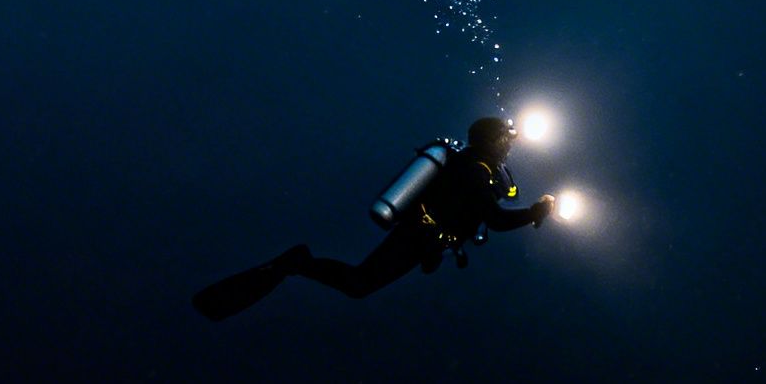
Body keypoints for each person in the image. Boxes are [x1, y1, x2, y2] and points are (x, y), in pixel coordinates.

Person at [192, 117, 554, 321]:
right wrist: (534, 213)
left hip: (425, 240)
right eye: (505, 140)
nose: (510, 145)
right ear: (491, 141)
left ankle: (299, 263)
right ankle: (298, 262)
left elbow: (495, 203)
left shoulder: (482, 169)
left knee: (360, 284)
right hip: (417, 236)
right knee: (358, 283)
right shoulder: (474, 170)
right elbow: (496, 220)